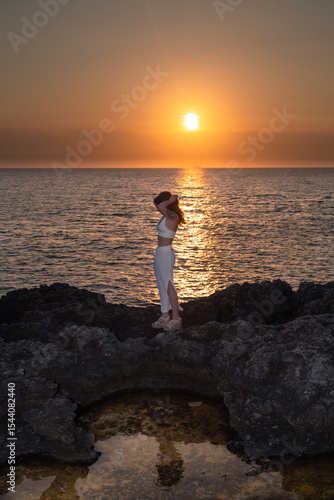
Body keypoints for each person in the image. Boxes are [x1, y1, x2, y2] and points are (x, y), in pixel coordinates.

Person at [152, 191, 185, 331]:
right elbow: (159, 206)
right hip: (160, 252)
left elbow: (160, 206)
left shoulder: (173, 216)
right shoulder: (166, 215)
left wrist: (171, 200)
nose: (157, 207)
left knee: (168, 284)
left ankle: (176, 318)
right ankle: (165, 316)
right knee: (161, 283)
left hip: (166, 254)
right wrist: (168, 202)